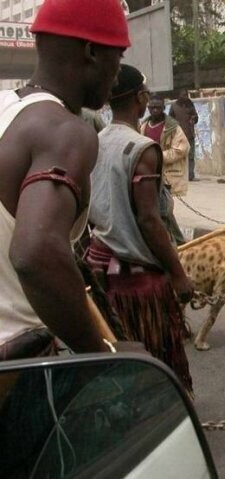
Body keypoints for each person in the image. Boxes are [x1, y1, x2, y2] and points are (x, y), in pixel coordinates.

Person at [0, 0, 131, 359]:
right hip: (17, 367)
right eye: (117, 58)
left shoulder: (6, 109)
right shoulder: (65, 131)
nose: (117, 75)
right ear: (91, 51)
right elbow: (35, 252)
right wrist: (100, 355)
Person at [86, 65, 195, 393]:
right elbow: (149, 219)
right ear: (141, 98)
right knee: (155, 355)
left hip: (101, 267)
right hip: (138, 279)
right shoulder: (141, 148)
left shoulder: (97, 140)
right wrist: (178, 273)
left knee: (118, 354)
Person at [141, 94, 190, 244]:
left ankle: (178, 242)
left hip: (166, 175)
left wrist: (158, 156)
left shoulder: (172, 127)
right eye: (151, 107)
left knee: (165, 210)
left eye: (157, 107)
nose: (154, 110)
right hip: (148, 175)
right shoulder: (143, 126)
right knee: (156, 211)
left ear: (163, 108)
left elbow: (182, 149)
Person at [169, 89, 199, 181]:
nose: (185, 97)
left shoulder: (190, 105)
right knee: (179, 156)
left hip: (189, 134)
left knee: (190, 156)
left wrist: (194, 119)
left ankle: (190, 175)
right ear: (179, 96)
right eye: (183, 95)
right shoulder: (174, 106)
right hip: (178, 136)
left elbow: (196, 117)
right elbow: (170, 120)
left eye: (186, 95)